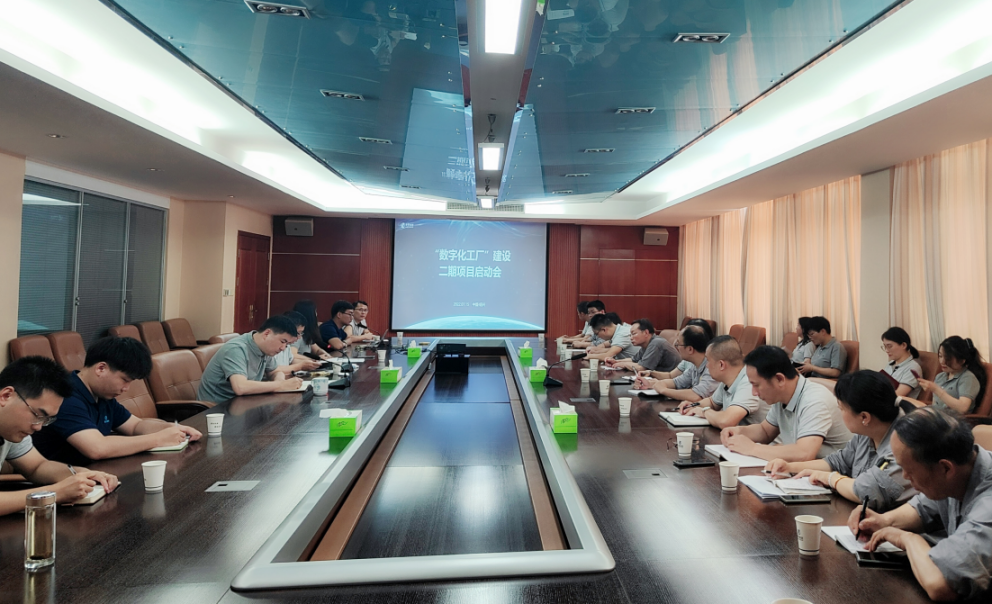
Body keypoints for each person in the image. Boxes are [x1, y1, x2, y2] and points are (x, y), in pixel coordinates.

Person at [853, 408, 992, 600]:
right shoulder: (961, 469)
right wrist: (883, 521)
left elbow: (940, 585)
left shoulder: (988, 506)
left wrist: (908, 539)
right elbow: (922, 508)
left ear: (945, 468)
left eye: (909, 470)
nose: (905, 477)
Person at [32, 337, 201, 464]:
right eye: (124, 380)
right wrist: (158, 439)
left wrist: (172, 428)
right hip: (60, 482)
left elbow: (135, 426)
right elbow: (97, 448)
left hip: (95, 474)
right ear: (101, 368)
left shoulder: (102, 394)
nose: (126, 388)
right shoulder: (65, 396)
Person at [765, 371, 914, 510]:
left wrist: (831, 479)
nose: (839, 412)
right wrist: (790, 467)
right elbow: (838, 462)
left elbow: (867, 492)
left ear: (864, 417)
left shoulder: (902, 443)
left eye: (841, 408)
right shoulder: (867, 431)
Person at [0, 357, 118, 516]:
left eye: (46, 419)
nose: (38, 427)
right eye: (38, 414)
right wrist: (54, 493)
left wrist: (82, 475)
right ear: (6, 395)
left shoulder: (10, 429)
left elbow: (36, 467)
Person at [721, 345, 852, 461]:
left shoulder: (814, 400)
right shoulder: (782, 395)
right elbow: (765, 431)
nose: (754, 392)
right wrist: (738, 431)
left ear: (779, 379)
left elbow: (804, 453)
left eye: (756, 385)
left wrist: (752, 448)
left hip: (834, 475)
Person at [198, 315, 304, 404]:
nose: (283, 348)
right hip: (217, 409)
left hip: (244, 403)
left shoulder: (265, 348)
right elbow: (240, 387)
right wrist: (280, 385)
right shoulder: (236, 349)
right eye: (283, 341)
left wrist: (280, 382)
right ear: (267, 334)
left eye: (287, 344)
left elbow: (276, 371)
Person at [676, 336, 768, 428]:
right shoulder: (728, 379)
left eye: (708, 360)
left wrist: (704, 411)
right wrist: (693, 406)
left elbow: (726, 421)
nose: (707, 366)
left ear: (721, 365)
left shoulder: (749, 383)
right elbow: (712, 402)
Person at [633, 325, 719, 402]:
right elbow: (676, 382)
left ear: (690, 349)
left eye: (678, 344)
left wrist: (664, 390)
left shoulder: (711, 367)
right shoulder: (694, 365)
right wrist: (651, 384)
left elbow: (696, 396)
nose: (676, 347)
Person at [907, 336, 987, 414]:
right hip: (937, 417)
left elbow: (963, 408)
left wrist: (936, 389)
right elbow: (935, 405)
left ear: (962, 360)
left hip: (954, 420)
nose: (942, 361)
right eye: (940, 356)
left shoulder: (968, 378)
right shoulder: (940, 376)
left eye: (948, 358)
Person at [605, 318, 680, 373]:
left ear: (646, 333)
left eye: (634, 334)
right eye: (630, 335)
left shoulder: (656, 343)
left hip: (671, 380)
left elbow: (642, 368)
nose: (631, 338)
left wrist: (622, 364)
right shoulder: (646, 344)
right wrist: (615, 361)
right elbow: (634, 359)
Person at [271, 311, 322, 376]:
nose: (299, 337)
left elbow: (292, 360)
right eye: (298, 333)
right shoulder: (272, 346)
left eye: (301, 333)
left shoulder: (287, 346)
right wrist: (300, 366)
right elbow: (273, 370)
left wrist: (310, 363)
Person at [880, 327, 923, 399]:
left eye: (889, 346)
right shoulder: (890, 364)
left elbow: (897, 395)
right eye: (885, 347)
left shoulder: (913, 368)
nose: (887, 350)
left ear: (903, 345)